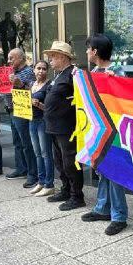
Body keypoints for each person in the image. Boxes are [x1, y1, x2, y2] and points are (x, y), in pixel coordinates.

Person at [80, 34, 128, 236]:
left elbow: (126, 98)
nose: (87, 52)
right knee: (103, 170)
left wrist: (114, 82)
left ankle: (119, 216)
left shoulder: (116, 71)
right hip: (98, 129)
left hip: (115, 130)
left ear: (95, 51)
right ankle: (102, 208)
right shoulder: (93, 72)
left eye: (88, 48)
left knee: (115, 173)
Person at [43, 41, 85, 211]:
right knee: (59, 161)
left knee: (70, 162)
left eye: (52, 57)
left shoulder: (74, 74)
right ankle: (66, 189)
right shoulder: (58, 75)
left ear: (62, 57)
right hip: (54, 126)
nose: (50, 60)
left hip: (67, 127)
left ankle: (77, 196)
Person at [5, 48, 38, 188]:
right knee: (17, 142)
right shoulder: (10, 72)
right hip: (11, 110)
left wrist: (20, 84)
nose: (9, 61)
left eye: (12, 58)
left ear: (21, 58)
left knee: (26, 143)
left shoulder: (29, 72)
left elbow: (33, 91)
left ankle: (32, 173)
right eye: (9, 58)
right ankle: (21, 168)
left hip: (22, 111)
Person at [28, 60, 55, 197]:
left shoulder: (49, 85)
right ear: (33, 69)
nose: (41, 71)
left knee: (46, 154)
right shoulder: (32, 85)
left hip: (43, 122)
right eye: (38, 68)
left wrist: (39, 105)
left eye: (44, 69)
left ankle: (49, 184)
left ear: (47, 71)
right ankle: (41, 181)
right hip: (31, 121)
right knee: (37, 153)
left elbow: (50, 109)